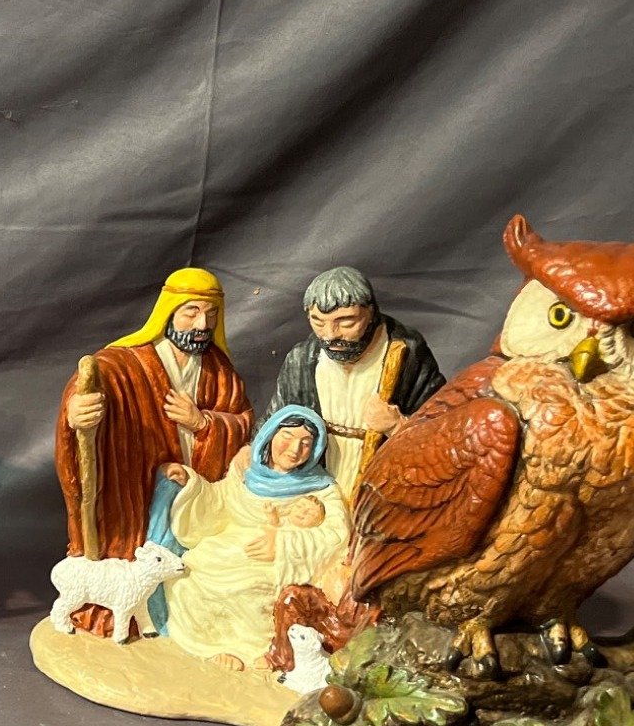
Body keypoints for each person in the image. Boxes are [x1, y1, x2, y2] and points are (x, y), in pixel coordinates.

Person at [53, 267, 254, 638]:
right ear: (169, 311)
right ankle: (133, 611)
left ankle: (180, 616)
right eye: (192, 312)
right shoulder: (126, 363)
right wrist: (75, 411)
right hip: (139, 490)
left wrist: (203, 423)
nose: (202, 325)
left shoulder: (220, 370)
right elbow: (94, 381)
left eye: (211, 314)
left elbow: (242, 422)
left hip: (197, 491)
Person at [150, 406, 348, 669]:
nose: (294, 449)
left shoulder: (322, 488)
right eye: (287, 437)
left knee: (250, 587)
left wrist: (282, 545)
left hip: (277, 560)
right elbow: (221, 500)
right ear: (270, 435)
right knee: (197, 567)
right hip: (231, 543)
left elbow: (336, 534)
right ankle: (212, 645)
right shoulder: (247, 471)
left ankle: (254, 649)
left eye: (306, 443)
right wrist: (190, 483)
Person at [265, 266, 445, 493]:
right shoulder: (302, 359)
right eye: (318, 322)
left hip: (385, 483)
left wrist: (397, 426)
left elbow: (442, 429)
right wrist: (253, 451)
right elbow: (275, 420)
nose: (330, 335)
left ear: (371, 313)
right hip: (314, 482)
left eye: (346, 322)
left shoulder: (408, 354)